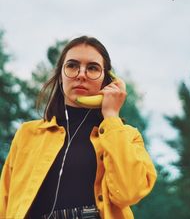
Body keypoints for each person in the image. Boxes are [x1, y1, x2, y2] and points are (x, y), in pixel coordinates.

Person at [0, 35, 157, 219]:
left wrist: (112, 118)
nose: (81, 74)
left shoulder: (127, 136)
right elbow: (5, 200)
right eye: (72, 66)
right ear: (60, 77)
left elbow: (129, 193)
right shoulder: (28, 134)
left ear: (107, 81)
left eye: (92, 68)